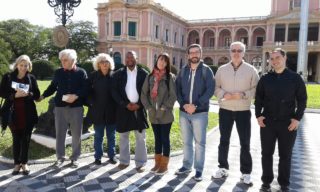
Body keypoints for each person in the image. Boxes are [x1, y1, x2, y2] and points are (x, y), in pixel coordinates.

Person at [255, 48, 307, 192]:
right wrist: (258, 115)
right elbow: (258, 98)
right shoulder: (265, 78)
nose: (275, 61)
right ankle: (266, 182)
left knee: (285, 155)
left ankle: (284, 183)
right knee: (266, 154)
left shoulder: (295, 78)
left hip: (288, 123)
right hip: (268, 123)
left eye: (277, 57)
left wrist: (297, 119)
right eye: (272, 59)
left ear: (284, 58)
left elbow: (302, 100)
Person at [212, 41, 259, 185]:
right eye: (233, 50)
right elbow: (215, 87)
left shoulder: (251, 70)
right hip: (225, 110)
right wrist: (223, 94)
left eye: (239, 50)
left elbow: (257, 90)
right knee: (223, 140)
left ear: (244, 53)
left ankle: (246, 173)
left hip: (243, 111)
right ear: (230, 52)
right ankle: (223, 167)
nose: (236, 53)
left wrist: (243, 94)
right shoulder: (221, 70)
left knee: (245, 142)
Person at [40, 49, 88, 168]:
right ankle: (60, 158)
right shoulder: (58, 72)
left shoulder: (81, 72)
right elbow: (52, 86)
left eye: (65, 60)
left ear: (73, 60)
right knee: (60, 134)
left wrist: (76, 96)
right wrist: (43, 96)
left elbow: (86, 88)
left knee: (76, 134)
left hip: (76, 108)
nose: (62, 62)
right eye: (61, 60)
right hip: (60, 108)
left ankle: (75, 158)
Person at [175, 44, 215, 181]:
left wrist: (196, 105)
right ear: (188, 55)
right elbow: (177, 89)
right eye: (191, 52)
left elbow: (210, 90)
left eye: (196, 52)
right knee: (186, 141)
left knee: (200, 143)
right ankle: (186, 166)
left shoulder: (206, 71)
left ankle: (198, 170)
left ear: (201, 53)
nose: (194, 55)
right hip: (184, 112)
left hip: (200, 113)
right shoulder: (183, 71)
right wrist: (183, 104)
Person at [0, 55, 40, 175]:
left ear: (29, 66)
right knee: (16, 139)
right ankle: (17, 164)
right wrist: (14, 96)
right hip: (12, 114)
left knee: (26, 139)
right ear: (17, 65)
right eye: (21, 65)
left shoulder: (31, 78)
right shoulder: (8, 77)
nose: (23, 68)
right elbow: (2, 92)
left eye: (26, 65)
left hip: (28, 114)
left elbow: (37, 95)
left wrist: (29, 94)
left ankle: (24, 163)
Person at [112, 51, 149, 173]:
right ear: (124, 60)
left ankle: (141, 163)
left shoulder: (144, 74)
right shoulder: (118, 74)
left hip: (139, 109)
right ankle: (124, 161)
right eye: (127, 57)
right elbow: (114, 92)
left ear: (136, 59)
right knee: (123, 136)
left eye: (132, 57)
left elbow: (147, 93)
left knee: (140, 137)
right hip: (124, 109)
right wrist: (125, 104)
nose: (129, 59)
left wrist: (139, 105)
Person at [141, 53, 177, 175]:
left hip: (165, 114)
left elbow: (173, 96)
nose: (162, 62)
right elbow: (143, 94)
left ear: (167, 64)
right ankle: (157, 163)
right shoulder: (150, 77)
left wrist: (163, 108)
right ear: (157, 61)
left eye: (165, 61)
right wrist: (149, 108)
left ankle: (164, 166)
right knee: (157, 139)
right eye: (160, 60)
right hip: (153, 114)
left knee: (165, 139)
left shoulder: (170, 77)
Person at [88, 53, 118, 165]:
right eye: (102, 62)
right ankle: (98, 157)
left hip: (112, 111)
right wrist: (91, 103)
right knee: (98, 136)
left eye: (106, 62)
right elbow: (87, 92)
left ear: (110, 64)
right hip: (98, 111)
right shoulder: (93, 76)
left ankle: (112, 155)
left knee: (111, 136)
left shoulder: (115, 76)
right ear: (98, 64)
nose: (104, 64)